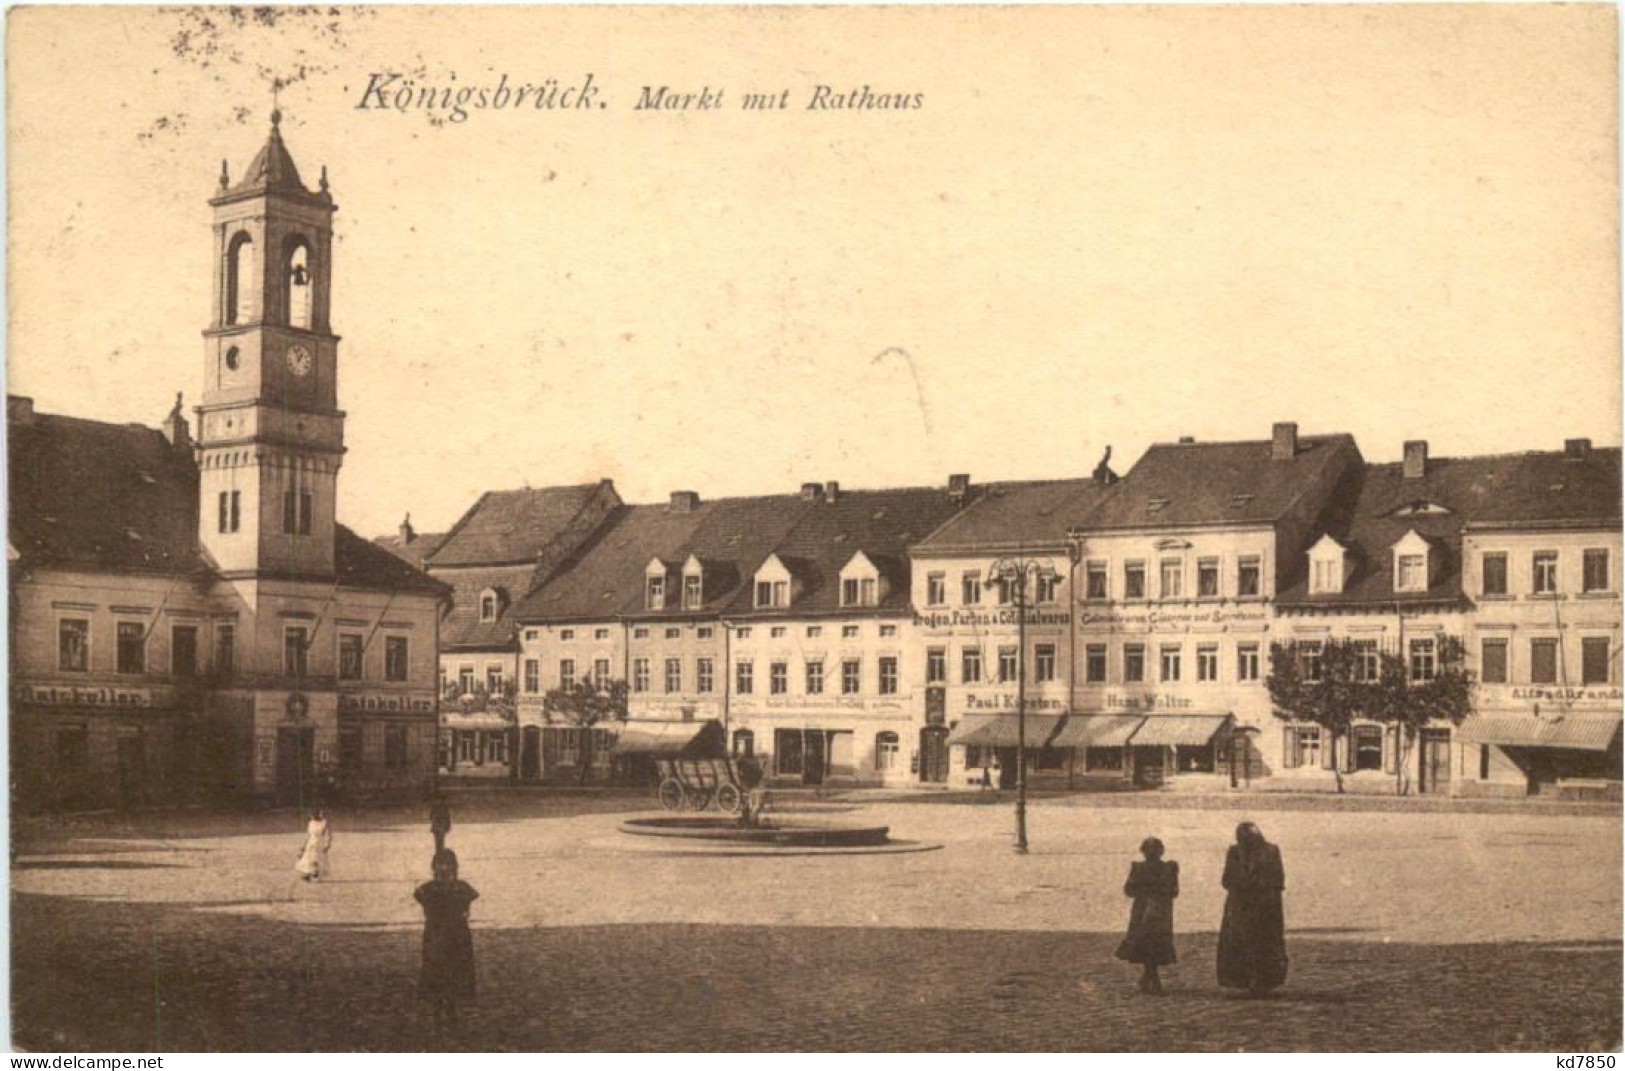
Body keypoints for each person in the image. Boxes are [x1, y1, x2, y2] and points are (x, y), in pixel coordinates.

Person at [1216, 821, 1288, 997]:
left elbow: (1278, 878)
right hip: (1242, 905)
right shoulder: (1235, 852)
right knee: (1243, 942)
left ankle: (1262, 980)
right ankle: (1247, 980)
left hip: (1263, 905)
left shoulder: (1270, 851)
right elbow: (1226, 879)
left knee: (1262, 943)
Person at [414, 849, 479, 1031]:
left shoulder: (463, 889)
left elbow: (469, 901)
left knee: (454, 973)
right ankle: (437, 1013)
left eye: (448, 864)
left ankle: (451, 1012)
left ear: (455, 867)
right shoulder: (427, 890)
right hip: (435, 937)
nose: (444, 868)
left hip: (457, 938)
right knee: (435, 973)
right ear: (433, 867)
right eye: (440, 864)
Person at [1115, 836, 1179, 995]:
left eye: (1155, 850)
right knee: (1147, 942)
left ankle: (1149, 977)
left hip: (1155, 911)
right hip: (1145, 911)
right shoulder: (1142, 868)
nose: (1152, 853)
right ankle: (1153, 978)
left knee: (1153, 942)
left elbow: (1174, 891)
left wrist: (1149, 891)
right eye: (1150, 850)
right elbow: (1129, 890)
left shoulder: (1168, 868)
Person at [293, 810, 331, 883]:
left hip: (319, 843)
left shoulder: (324, 823)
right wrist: (303, 845)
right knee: (308, 859)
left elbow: (328, 834)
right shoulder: (310, 823)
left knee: (316, 859)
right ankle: (308, 874)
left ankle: (315, 875)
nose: (311, 817)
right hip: (310, 843)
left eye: (312, 815)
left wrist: (327, 844)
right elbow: (307, 835)